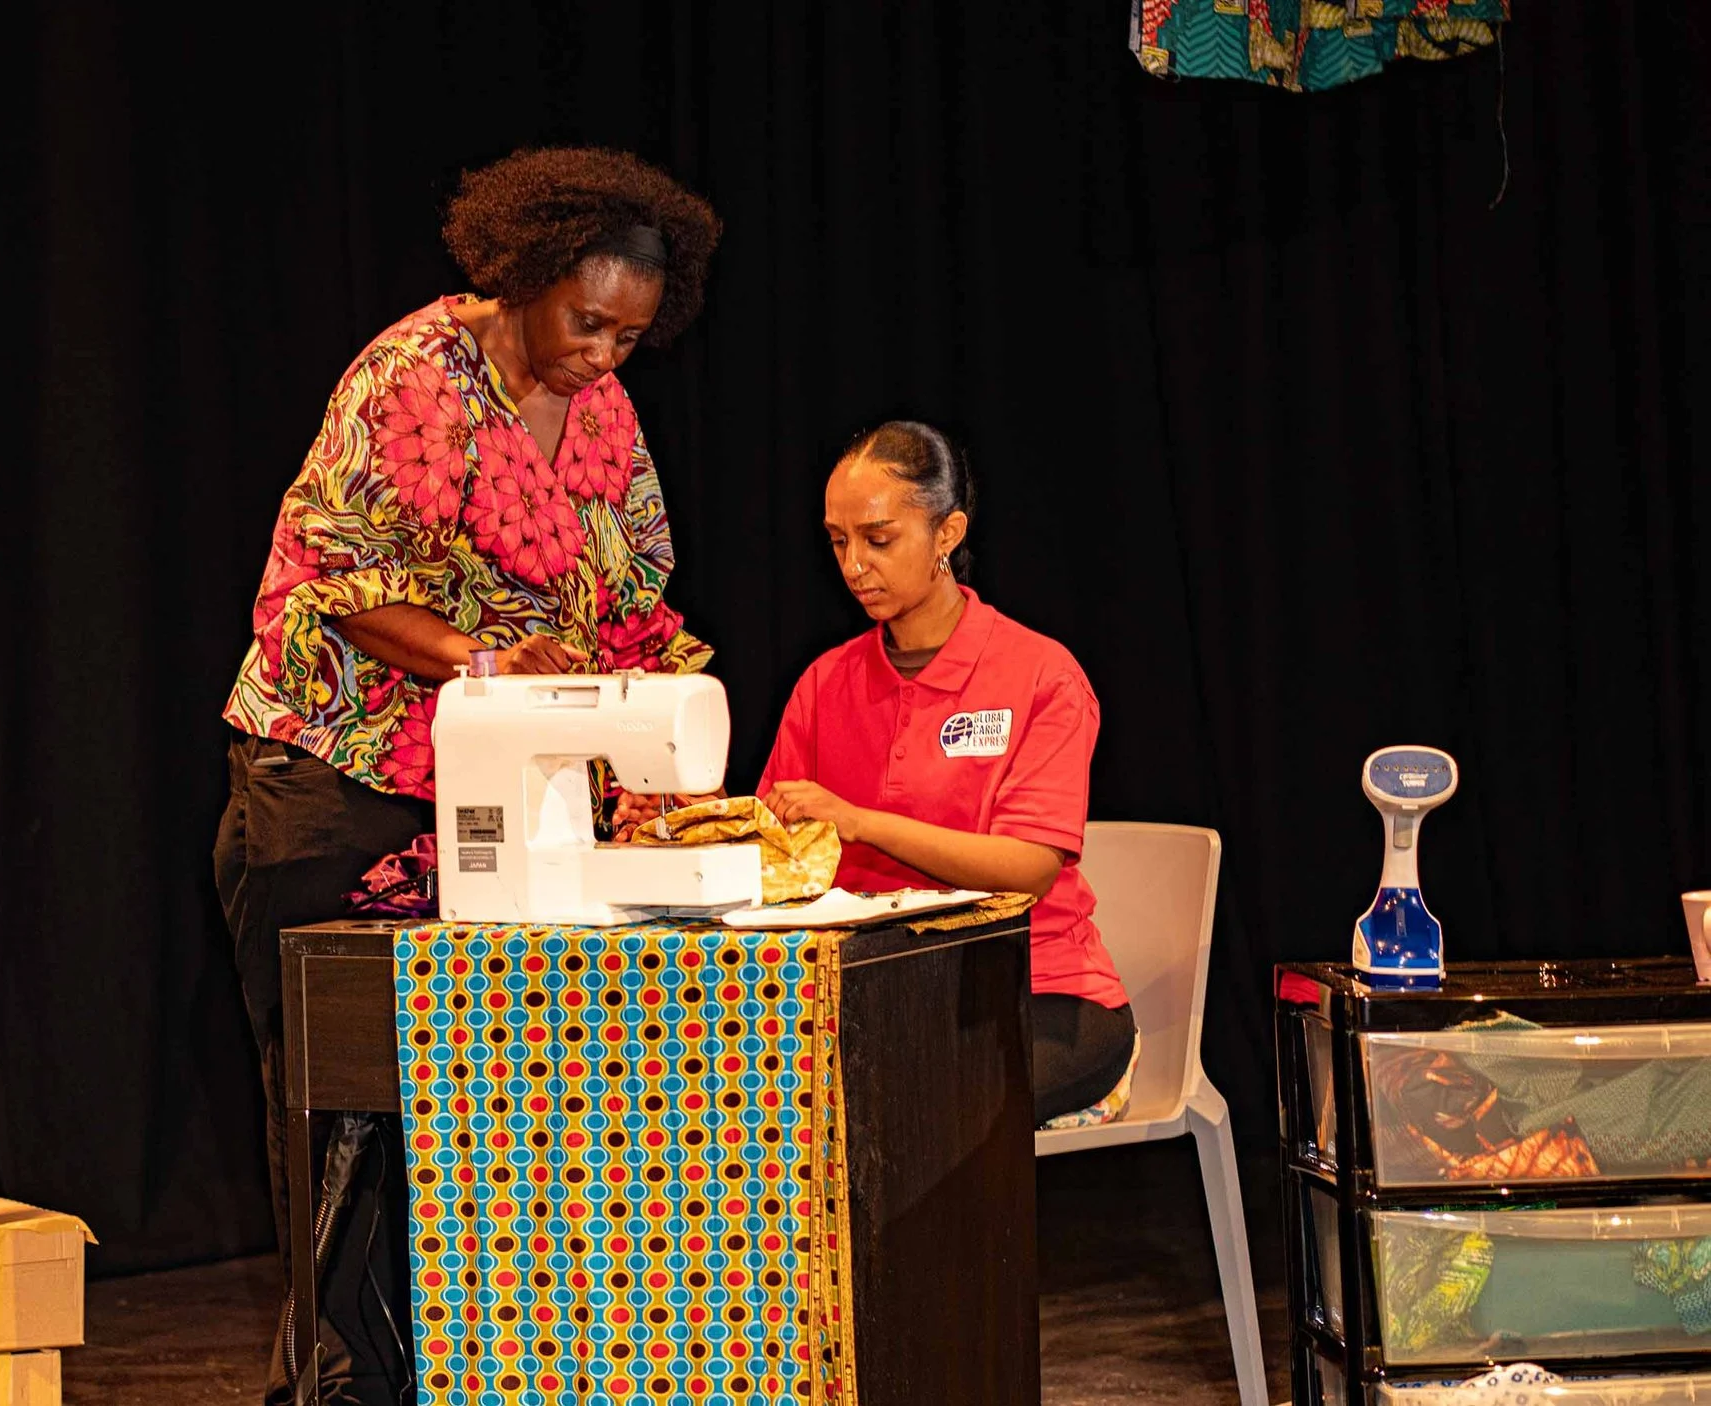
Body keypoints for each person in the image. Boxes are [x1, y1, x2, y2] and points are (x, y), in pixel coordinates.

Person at [213, 146, 722, 1406]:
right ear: (527, 275)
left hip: (487, 782)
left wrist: (662, 715)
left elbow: (626, 583)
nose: (605, 354)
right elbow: (349, 580)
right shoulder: (415, 378)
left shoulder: (596, 404)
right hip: (334, 778)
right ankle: (340, 1381)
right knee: (342, 1110)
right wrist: (483, 656)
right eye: (588, 321)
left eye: (630, 337)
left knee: (474, 1093)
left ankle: (474, 1369)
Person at [759, 421, 1140, 1126]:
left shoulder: (1039, 675)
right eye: (838, 542)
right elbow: (772, 853)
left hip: (1040, 989)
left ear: (947, 533)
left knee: (912, 1102)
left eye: (878, 539)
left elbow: (1028, 867)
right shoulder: (824, 683)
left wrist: (860, 821)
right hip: (878, 991)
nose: (853, 566)